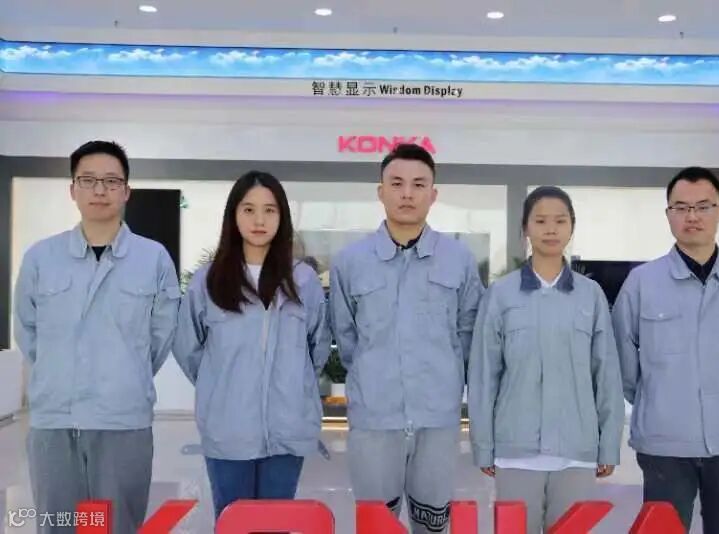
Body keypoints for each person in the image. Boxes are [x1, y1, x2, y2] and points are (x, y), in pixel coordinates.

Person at [13, 140, 180, 534]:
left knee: (119, 524)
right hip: (55, 420)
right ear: (72, 190)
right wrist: (59, 373)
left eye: (111, 181)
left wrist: (125, 373)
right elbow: (28, 331)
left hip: (123, 420)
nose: (100, 190)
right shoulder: (41, 258)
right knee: (59, 525)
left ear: (126, 191)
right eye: (88, 180)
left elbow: (161, 336)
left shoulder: (153, 258)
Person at [328, 143, 484, 533]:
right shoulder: (351, 262)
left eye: (419, 184)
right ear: (380, 191)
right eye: (397, 183)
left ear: (434, 194)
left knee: (432, 525)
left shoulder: (458, 259)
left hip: (438, 418)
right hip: (374, 419)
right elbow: (346, 338)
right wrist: (374, 378)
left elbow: (468, 333)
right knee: (376, 525)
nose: (407, 193)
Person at [612, 167, 719, 533]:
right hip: (664, 442)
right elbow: (623, 359)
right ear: (668, 214)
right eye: (681, 208)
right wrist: (658, 399)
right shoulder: (642, 282)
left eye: (703, 206)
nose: (692, 216)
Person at [172, 171, 330, 519]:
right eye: (249, 209)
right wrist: (219, 384)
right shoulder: (209, 280)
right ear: (233, 215)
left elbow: (317, 347)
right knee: (233, 521)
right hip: (227, 428)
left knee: (276, 522)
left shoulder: (303, 281)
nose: (259, 220)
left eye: (269, 210)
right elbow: (187, 345)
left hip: (287, 427)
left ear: (282, 217)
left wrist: (294, 384)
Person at [468, 186, 624, 533]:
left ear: (572, 227)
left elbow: (606, 374)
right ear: (525, 228)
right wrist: (484, 445)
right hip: (515, 451)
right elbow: (483, 375)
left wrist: (608, 445)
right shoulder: (501, 294)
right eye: (540, 221)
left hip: (576, 452)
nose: (550, 229)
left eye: (560, 221)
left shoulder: (591, 295)